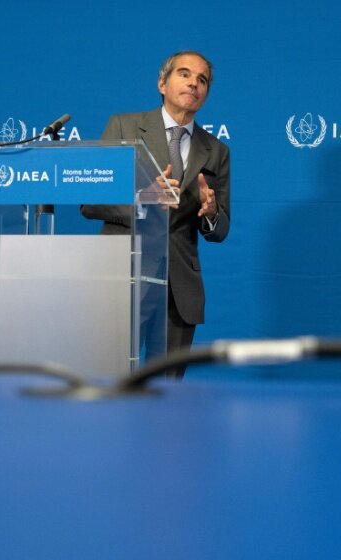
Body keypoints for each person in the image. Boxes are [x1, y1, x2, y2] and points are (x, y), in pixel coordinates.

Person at [81, 51, 230, 378]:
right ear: (162, 83)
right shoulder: (124, 126)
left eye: (202, 80)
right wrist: (141, 198)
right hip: (125, 274)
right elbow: (89, 201)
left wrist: (211, 211)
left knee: (168, 394)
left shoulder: (216, 150)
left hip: (180, 291)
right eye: (185, 74)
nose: (194, 83)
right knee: (112, 381)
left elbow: (219, 230)